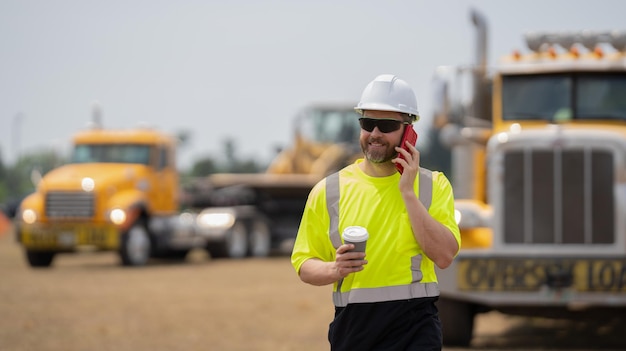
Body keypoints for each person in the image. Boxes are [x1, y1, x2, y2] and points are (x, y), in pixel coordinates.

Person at [291, 74, 461, 351]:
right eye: (368, 124)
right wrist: (335, 268)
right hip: (353, 332)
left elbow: (444, 256)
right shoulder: (329, 190)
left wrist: (407, 191)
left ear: (409, 131)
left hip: (415, 330)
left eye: (387, 125)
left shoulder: (432, 186)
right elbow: (304, 265)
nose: (375, 134)